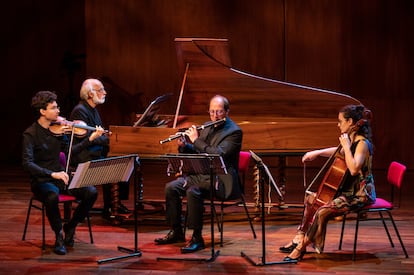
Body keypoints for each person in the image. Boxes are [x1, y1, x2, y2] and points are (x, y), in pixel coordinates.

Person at [281, 104, 376, 262]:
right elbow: (340, 152)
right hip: (347, 191)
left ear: (350, 121)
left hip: (359, 195)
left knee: (322, 211)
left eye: (340, 121)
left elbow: (353, 169)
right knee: (311, 199)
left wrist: (345, 145)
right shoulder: (351, 140)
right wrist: (317, 153)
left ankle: (300, 248)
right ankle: (300, 237)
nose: (338, 124)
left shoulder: (362, 144)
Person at [154, 95, 242, 253]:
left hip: (222, 181)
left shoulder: (234, 131)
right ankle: (176, 231)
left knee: (193, 191)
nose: (215, 116)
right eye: (212, 111)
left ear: (227, 112)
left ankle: (197, 238)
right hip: (202, 175)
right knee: (171, 187)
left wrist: (195, 140)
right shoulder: (207, 126)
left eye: (219, 112)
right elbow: (198, 151)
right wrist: (185, 145)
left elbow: (217, 154)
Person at [22, 91, 103, 255]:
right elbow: (27, 163)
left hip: (61, 177)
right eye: (53, 108)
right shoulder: (30, 134)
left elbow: (70, 153)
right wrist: (52, 174)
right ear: (42, 111)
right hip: (42, 180)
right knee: (51, 197)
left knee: (91, 192)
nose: (58, 111)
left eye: (57, 107)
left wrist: (90, 138)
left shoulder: (59, 132)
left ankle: (71, 225)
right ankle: (59, 235)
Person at [69, 78, 130, 220]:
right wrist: (112, 140)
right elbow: (91, 138)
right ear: (90, 94)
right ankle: (110, 207)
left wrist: (111, 138)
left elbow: (99, 134)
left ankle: (115, 203)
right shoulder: (80, 111)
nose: (105, 92)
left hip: (95, 153)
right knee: (115, 165)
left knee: (126, 160)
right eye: (101, 90)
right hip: (85, 157)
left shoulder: (92, 109)